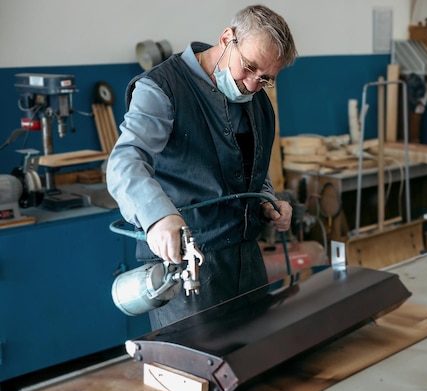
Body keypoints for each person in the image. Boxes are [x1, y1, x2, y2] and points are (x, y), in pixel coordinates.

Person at [107, 4, 298, 330]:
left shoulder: (257, 101)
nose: (252, 84)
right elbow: (125, 163)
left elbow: (251, 165)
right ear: (227, 38)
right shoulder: (162, 89)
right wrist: (158, 217)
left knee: (259, 363)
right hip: (188, 268)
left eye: (266, 78)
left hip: (246, 262)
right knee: (195, 372)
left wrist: (268, 201)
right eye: (249, 67)